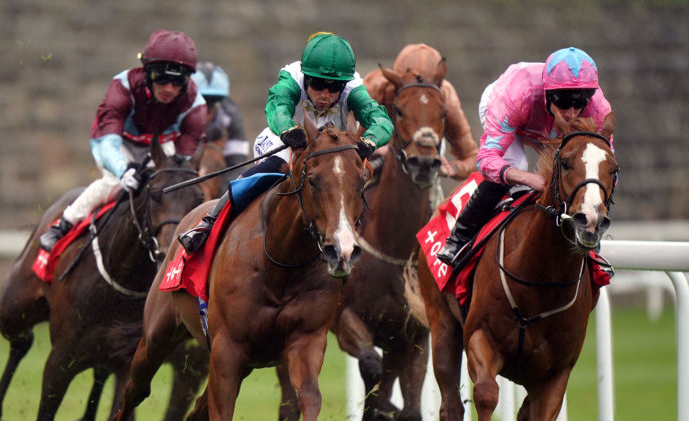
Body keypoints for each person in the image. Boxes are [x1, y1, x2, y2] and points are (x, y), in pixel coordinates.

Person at [177, 31, 394, 254]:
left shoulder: (353, 88)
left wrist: (370, 140)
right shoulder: (292, 77)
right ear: (306, 76)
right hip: (285, 141)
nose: (325, 94)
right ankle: (208, 223)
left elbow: (381, 120)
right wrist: (288, 129)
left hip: (329, 151)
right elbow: (277, 106)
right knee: (273, 167)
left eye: (334, 88)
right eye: (317, 84)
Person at [436, 46, 615, 267]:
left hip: (547, 126)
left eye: (579, 103)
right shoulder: (515, 95)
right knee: (516, 163)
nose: (571, 113)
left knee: (580, 169)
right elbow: (486, 159)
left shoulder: (598, 108)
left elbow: (608, 167)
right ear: (548, 93)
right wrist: (529, 179)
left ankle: (589, 241)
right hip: (510, 108)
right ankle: (458, 240)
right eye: (562, 102)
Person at [39, 30, 207, 252]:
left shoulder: (196, 104)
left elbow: (185, 157)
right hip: (118, 143)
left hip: (159, 146)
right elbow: (108, 141)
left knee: (174, 186)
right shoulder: (123, 86)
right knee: (115, 184)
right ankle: (63, 224)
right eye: (162, 77)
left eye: (178, 81)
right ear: (147, 72)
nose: (169, 88)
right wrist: (122, 170)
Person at [363, 43, 478, 181]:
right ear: (396, 83)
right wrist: (373, 145)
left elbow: (473, 158)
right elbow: (350, 145)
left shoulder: (446, 97)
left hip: (430, 161)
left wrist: (452, 168)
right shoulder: (376, 89)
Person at [191, 61, 250, 179]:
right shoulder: (176, 113)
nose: (206, 109)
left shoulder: (231, 116)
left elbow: (236, 165)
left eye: (212, 102)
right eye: (200, 101)